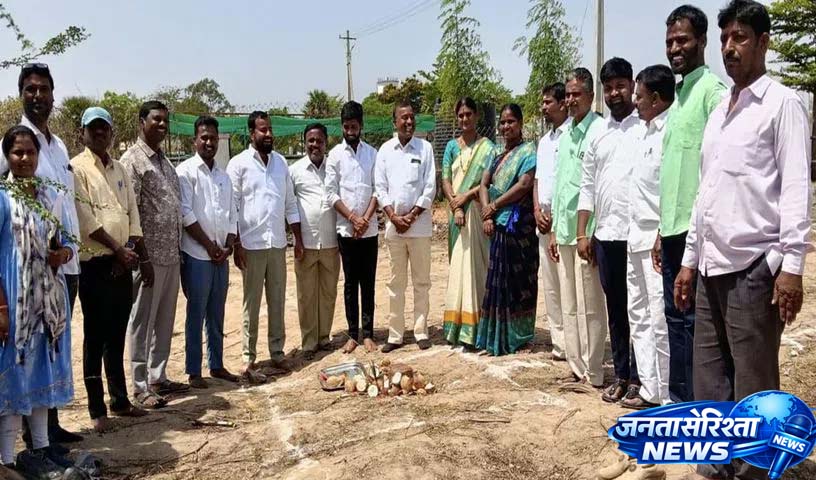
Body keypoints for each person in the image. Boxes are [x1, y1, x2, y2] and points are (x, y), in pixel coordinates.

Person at [676, 2, 811, 478]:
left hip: (754, 268)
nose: (729, 48)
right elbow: (705, 193)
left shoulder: (782, 105)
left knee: (755, 384)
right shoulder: (721, 113)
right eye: (724, 39)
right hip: (711, 266)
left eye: (740, 37)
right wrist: (689, 260)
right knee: (709, 377)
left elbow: (796, 189)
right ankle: (716, 467)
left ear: (763, 42)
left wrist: (791, 267)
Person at [0, 63, 83, 446]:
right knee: (25, 356)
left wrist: (66, 251)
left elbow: (62, 205)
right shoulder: (13, 143)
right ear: (21, 94)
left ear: (53, 94)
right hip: (22, 279)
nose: (38, 96)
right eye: (30, 89)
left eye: (44, 89)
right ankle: (26, 446)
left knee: (52, 349)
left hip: (61, 270)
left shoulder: (58, 145)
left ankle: (48, 431)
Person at [654, 4, 727, 403]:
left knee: (698, 324)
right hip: (671, 230)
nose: (674, 48)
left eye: (682, 40)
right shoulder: (680, 97)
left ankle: (702, 406)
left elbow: (718, 171)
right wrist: (660, 231)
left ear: (702, 41)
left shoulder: (712, 94)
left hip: (697, 234)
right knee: (676, 320)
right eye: (669, 42)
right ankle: (680, 403)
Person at [71, 107, 147, 432]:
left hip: (122, 262)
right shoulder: (76, 168)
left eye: (105, 128)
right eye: (94, 128)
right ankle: (96, 408)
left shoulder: (120, 169)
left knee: (116, 334)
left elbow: (132, 214)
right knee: (95, 336)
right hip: (95, 263)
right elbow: (85, 219)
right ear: (83, 133)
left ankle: (120, 400)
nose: (100, 133)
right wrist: (118, 251)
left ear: (112, 133)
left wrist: (127, 251)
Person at [576, 58, 643, 403]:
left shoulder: (645, 126)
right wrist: (582, 233)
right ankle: (621, 375)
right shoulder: (597, 132)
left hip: (638, 237)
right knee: (616, 310)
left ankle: (641, 379)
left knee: (640, 311)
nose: (615, 93)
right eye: (609, 87)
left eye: (620, 86)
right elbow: (587, 185)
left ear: (632, 85)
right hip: (605, 236)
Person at [227, 111, 303, 382]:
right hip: (251, 244)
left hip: (277, 243)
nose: (268, 134)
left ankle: (277, 352)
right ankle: (248, 356)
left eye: (270, 129)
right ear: (252, 134)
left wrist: (298, 239)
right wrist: (237, 244)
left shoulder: (281, 163)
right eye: (263, 130)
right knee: (252, 303)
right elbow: (233, 206)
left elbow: (290, 203)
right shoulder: (238, 165)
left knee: (277, 299)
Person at [121, 101, 187, 409]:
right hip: (148, 258)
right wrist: (142, 257)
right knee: (142, 322)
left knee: (164, 320)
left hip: (170, 254)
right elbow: (130, 212)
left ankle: (158, 376)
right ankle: (139, 385)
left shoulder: (165, 162)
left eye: (165, 121)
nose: (162, 125)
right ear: (141, 122)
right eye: (156, 119)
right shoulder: (132, 161)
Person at [548, 68, 607, 387]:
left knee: (591, 304)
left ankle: (594, 369)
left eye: (576, 94)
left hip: (587, 233)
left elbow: (597, 187)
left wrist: (591, 233)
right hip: (565, 231)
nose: (571, 100)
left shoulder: (599, 130)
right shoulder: (566, 133)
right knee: (569, 303)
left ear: (590, 96)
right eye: (568, 94)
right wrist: (555, 230)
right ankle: (575, 364)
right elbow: (561, 186)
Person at [620, 66, 675, 410]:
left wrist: (661, 234)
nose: (635, 102)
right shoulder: (642, 133)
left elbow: (673, 189)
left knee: (660, 320)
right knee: (638, 315)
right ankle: (649, 388)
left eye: (639, 96)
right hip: (634, 238)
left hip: (657, 240)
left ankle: (668, 396)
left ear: (655, 98)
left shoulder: (671, 132)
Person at [176, 116, 239, 389]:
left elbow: (231, 213)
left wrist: (228, 245)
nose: (209, 142)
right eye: (204, 137)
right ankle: (194, 370)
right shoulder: (185, 172)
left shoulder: (223, 176)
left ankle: (217, 364)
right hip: (197, 255)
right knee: (196, 312)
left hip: (220, 256)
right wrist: (209, 246)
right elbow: (186, 213)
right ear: (195, 140)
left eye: (213, 137)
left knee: (217, 311)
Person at [476, 104, 538, 355]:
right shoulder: (496, 154)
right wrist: (487, 212)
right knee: (497, 282)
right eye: (502, 122)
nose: (505, 126)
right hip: (496, 222)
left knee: (519, 282)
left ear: (520, 124)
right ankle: (496, 337)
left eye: (511, 121)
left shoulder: (528, 152)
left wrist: (494, 205)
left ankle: (518, 336)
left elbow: (524, 185)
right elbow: (483, 184)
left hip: (518, 226)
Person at [374, 101, 436, 353]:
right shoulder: (385, 151)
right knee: (395, 283)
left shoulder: (425, 148)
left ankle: (421, 332)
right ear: (395, 122)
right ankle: (395, 334)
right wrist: (393, 216)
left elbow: (430, 186)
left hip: (419, 227)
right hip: (394, 229)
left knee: (421, 282)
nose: (409, 122)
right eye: (404, 118)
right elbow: (380, 187)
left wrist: (411, 216)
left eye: (412, 117)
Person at [325, 101, 379, 354]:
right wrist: (352, 218)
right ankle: (352, 334)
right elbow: (331, 193)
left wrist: (364, 219)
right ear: (342, 127)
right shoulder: (335, 155)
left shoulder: (372, 154)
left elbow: (378, 189)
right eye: (346, 127)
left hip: (369, 230)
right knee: (350, 283)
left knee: (368, 282)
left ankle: (368, 334)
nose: (350, 131)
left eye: (354, 126)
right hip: (346, 231)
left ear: (361, 125)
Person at [441, 97, 494, 348]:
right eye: (461, 115)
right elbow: (445, 180)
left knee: (477, 267)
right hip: (457, 216)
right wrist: (456, 205)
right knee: (459, 268)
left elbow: (487, 182)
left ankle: (478, 328)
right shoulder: (451, 147)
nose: (465, 119)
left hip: (476, 212)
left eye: (469, 114)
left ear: (477, 116)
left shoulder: (488, 147)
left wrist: (466, 198)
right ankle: (458, 327)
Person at [290, 123, 340, 360]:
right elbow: (290, 206)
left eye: (319, 141)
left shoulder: (334, 168)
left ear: (326, 142)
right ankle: (309, 342)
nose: (315, 145)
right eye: (310, 141)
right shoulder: (295, 170)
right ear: (305, 143)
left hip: (331, 242)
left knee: (328, 292)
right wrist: (296, 240)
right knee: (306, 295)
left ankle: (324, 337)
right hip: (306, 244)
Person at [533, 83, 570, 361]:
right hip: (543, 222)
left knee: (568, 285)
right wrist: (537, 210)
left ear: (562, 104)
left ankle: (574, 343)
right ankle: (559, 343)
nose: (544, 107)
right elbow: (538, 180)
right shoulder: (544, 141)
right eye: (543, 103)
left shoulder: (572, 136)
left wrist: (556, 220)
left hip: (564, 224)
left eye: (548, 102)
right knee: (551, 287)